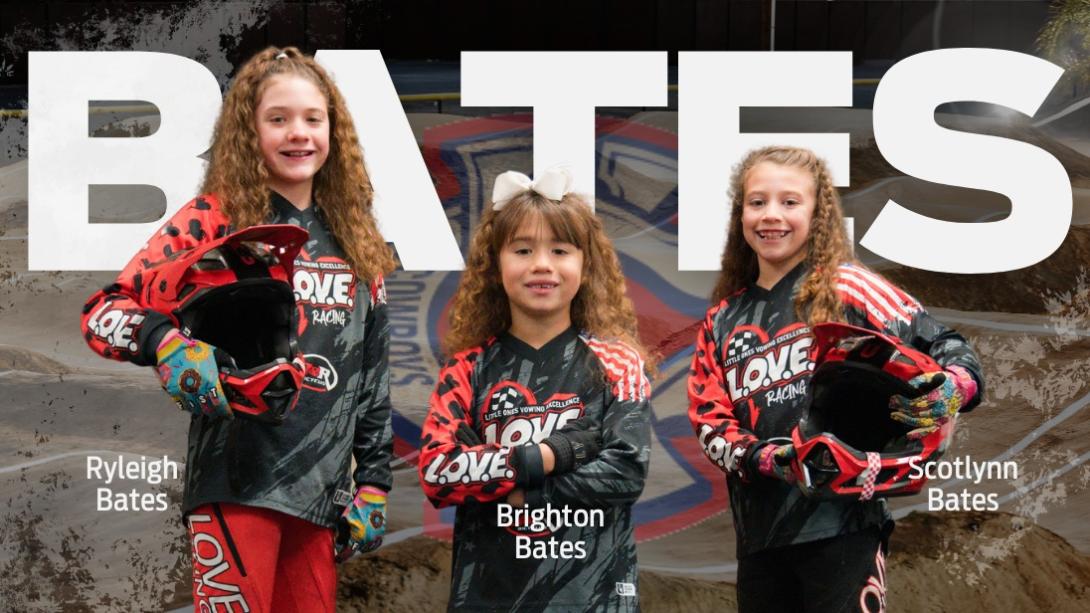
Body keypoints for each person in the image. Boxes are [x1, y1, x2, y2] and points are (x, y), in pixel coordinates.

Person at [79, 47, 397, 612]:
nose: (297, 133)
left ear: (334, 129)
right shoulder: (213, 218)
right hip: (233, 486)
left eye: (312, 118)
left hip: (324, 499)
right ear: (247, 131)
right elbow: (104, 311)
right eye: (277, 118)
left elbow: (372, 375)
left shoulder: (358, 237)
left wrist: (373, 484)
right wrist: (166, 342)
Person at [687, 146, 984, 613]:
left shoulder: (848, 285)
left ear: (818, 213)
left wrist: (954, 385)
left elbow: (944, 342)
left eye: (790, 202)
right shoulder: (721, 320)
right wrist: (768, 459)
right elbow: (709, 419)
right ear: (739, 213)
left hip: (845, 523)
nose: (771, 216)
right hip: (760, 538)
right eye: (757, 201)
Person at [418, 167, 654, 611]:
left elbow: (625, 473)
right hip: (488, 596)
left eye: (560, 250)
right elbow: (437, 474)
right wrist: (553, 454)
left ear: (585, 265)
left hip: (592, 596)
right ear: (496, 263)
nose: (541, 264)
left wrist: (504, 477)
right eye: (523, 249)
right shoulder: (466, 367)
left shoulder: (618, 363)